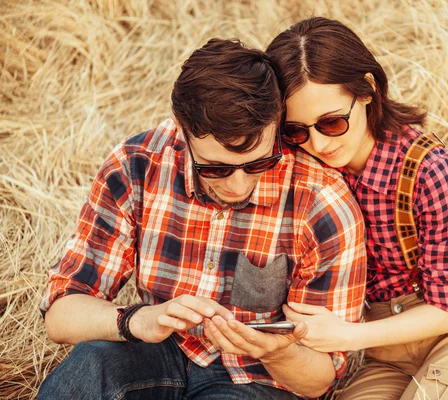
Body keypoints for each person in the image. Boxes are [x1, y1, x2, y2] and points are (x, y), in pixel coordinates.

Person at [37, 38, 367, 400]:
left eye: (259, 163)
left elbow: (319, 379)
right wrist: (137, 320)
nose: (238, 184)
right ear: (181, 130)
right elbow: (61, 313)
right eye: (216, 168)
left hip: (258, 379)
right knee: (89, 364)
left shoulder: (322, 202)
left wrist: (277, 350)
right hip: (157, 351)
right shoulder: (137, 165)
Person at [266, 17, 448, 400]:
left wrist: (346, 336)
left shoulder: (427, 171)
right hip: (387, 353)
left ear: (367, 91)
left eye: (332, 122)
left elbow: (447, 309)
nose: (317, 144)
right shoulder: (301, 168)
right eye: (296, 130)